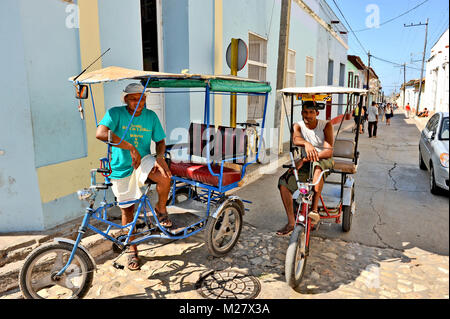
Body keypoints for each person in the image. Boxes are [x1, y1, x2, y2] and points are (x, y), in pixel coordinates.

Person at [96, 83, 172, 270]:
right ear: (125, 100)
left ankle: (161, 210)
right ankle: (132, 250)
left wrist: (160, 157)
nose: (139, 102)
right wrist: (130, 147)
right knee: (127, 211)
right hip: (121, 166)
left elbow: (160, 141)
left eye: (142, 98)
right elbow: (100, 133)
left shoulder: (151, 116)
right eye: (133, 99)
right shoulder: (115, 113)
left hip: (145, 160)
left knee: (165, 177)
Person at [276, 101, 334, 236]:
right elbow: (296, 139)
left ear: (317, 113)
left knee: (317, 167)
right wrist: (306, 144)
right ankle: (291, 223)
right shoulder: (298, 125)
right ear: (302, 113)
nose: (308, 116)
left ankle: (314, 210)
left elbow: (328, 151)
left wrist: (304, 158)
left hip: (324, 160)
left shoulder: (326, 125)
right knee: (283, 183)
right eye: (305, 112)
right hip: (306, 162)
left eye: (311, 112)